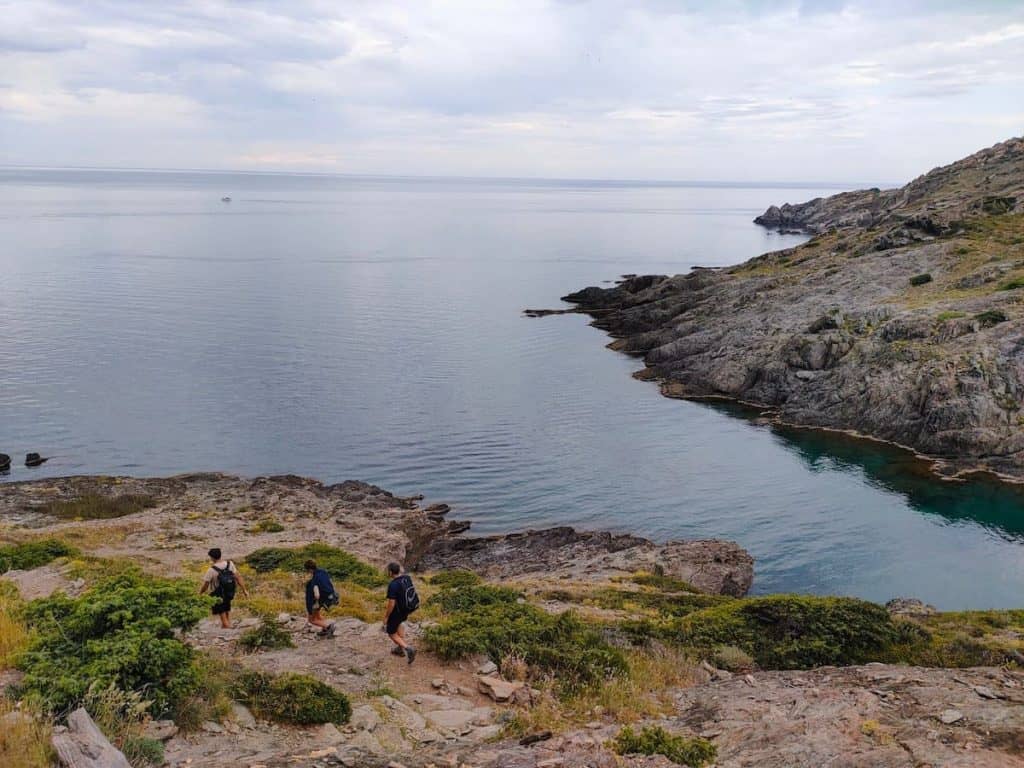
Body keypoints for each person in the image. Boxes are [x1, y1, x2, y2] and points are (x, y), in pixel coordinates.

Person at [199, 547, 249, 629]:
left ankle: (229, 631)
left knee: (222, 616)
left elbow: (205, 585)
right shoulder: (230, 564)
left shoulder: (211, 570)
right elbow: (238, 577)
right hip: (229, 592)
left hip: (217, 595)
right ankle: (227, 628)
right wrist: (244, 590)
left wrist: (200, 593)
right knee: (227, 612)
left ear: (212, 557)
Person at [383, 562, 419, 664]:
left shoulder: (393, 585)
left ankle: (408, 649)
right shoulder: (407, 578)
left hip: (397, 611)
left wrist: (386, 617)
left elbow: (391, 603)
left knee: (391, 633)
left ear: (390, 572)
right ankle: (399, 649)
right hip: (406, 609)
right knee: (399, 624)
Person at [304, 559, 338, 638]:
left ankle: (329, 627)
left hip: (317, 601)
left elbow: (317, 595)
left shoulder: (315, 579)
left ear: (309, 569)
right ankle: (325, 629)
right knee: (318, 616)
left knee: (312, 620)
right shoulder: (323, 572)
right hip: (327, 598)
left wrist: (315, 602)